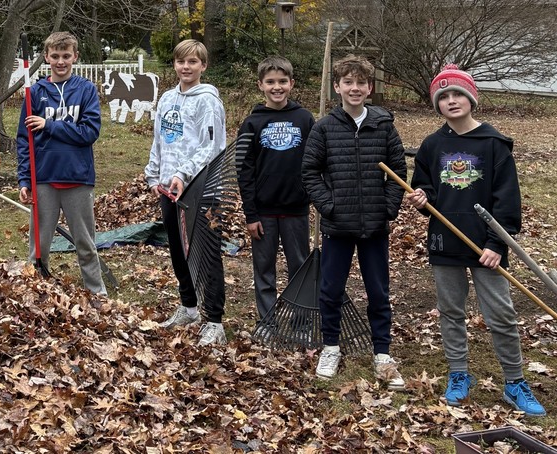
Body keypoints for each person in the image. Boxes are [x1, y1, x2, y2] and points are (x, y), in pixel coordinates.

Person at [405, 64, 545, 416]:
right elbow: (427, 191)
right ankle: (459, 375)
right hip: (445, 241)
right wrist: (422, 199)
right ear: (437, 104)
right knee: (451, 311)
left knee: (501, 313)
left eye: (458, 94)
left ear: (471, 99)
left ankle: (514, 381)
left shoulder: (494, 144)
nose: (451, 101)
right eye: (444, 96)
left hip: (487, 245)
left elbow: (507, 200)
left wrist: (498, 244)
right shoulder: (433, 145)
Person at [301, 55, 407, 389]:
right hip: (338, 225)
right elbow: (309, 172)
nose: (355, 88)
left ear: (370, 88)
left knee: (378, 290)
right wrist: (329, 206)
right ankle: (330, 346)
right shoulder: (324, 128)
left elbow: (398, 171)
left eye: (361, 83)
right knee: (331, 289)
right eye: (348, 82)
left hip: (375, 225)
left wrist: (388, 207)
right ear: (337, 87)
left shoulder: (383, 126)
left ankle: (382, 353)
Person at [145, 39, 228, 346]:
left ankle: (214, 320)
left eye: (193, 62)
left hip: (202, 190)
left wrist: (183, 174)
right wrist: (154, 175)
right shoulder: (166, 98)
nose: (186, 67)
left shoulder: (208, 101)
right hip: (169, 190)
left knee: (206, 255)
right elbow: (160, 141)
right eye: (181, 62)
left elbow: (212, 147)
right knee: (178, 251)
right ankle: (189, 307)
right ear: (175, 64)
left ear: (203, 66)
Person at [16, 31, 107, 296]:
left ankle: (96, 293)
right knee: (39, 244)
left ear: (75, 57)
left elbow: (89, 132)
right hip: (43, 177)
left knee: (85, 241)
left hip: (77, 177)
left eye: (66, 56)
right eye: (55, 56)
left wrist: (50, 125)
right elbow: (25, 140)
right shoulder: (35, 92)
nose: (60, 61)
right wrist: (24, 179)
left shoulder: (86, 90)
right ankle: (35, 293)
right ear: (46, 57)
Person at [236, 56, 314, 324]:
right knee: (264, 269)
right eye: (270, 82)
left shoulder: (304, 119)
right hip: (263, 212)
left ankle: (300, 320)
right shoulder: (251, 123)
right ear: (260, 85)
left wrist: (314, 197)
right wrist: (251, 214)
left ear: (291, 83)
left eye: (282, 81)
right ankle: (267, 321)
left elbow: (315, 162)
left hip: (296, 209)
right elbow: (244, 170)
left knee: (300, 268)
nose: (276, 87)